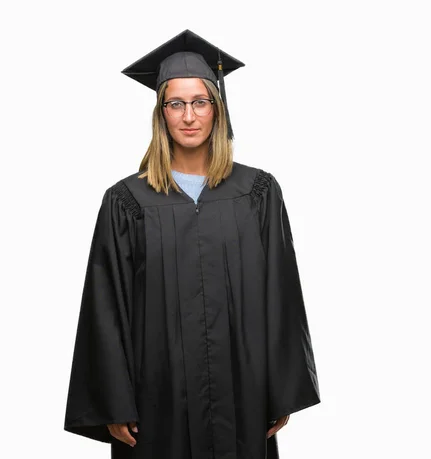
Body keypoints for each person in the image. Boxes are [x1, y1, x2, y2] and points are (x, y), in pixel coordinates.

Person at [63, 29, 321, 459]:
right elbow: (105, 310)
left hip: (243, 394)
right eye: (176, 103)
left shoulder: (257, 192)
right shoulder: (127, 201)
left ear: (217, 110)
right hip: (156, 403)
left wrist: (280, 390)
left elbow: (282, 296)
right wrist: (115, 402)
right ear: (160, 112)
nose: (189, 116)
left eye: (200, 102)